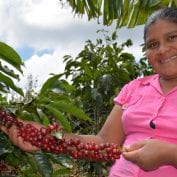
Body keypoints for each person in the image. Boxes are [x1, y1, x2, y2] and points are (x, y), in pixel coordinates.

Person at [1, 7, 177, 177]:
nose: (162, 50)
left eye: (172, 38)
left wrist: (170, 154)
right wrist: (47, 136)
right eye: (152, 44)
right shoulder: (134, 89)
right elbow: (103, 143)